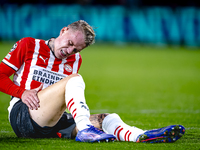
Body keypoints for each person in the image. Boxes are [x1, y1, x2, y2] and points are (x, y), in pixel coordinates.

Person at [0, 20, 185, 143]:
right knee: (75, 79)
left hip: (52, 121)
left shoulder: (75, 60)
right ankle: (85, 129)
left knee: (107, 118)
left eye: (75, 50)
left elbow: (63, 96)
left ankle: (141, 135)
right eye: (70, 43)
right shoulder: (29, 45)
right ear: (63, 30)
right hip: (24, 116)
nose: (69, 51)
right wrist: (22, 93)